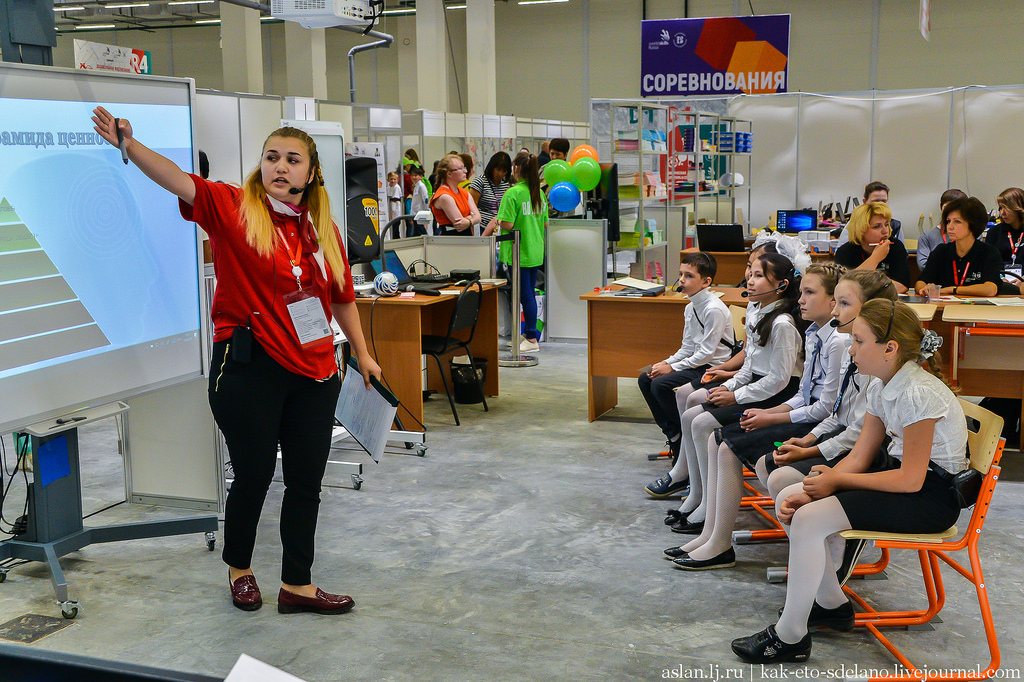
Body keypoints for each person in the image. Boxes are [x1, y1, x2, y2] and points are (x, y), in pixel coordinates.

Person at [90, 108, 382, 615]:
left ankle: (298, 585)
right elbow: (181, 182)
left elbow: (341, 297)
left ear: (310, 173)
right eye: (272, 157)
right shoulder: (233, 207)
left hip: (316, 370)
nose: (280, 167)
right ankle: (240, 568)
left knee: (306, 481)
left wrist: (362, 352)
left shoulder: (322, 227)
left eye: (293, 160)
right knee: (253, 473)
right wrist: (130, 147)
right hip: (250, 365)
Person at [731, 300, 964, 663]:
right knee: (793, 496)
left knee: (807, 517)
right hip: (904, 480)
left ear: (890, 349)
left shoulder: (917, 391)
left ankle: (790, 636)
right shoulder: (880, 383)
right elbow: (859, 456)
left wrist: (837, 480)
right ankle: (831, 603)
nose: (850, 348)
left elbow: (911, 479)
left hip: (930, 498)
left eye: (858, 341)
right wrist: (835, 477)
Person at [668, 263, 846, 570]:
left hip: (818, 426)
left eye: (809, 293)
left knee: (727, 443)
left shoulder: (837, 341)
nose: (800, 299)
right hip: (802, 413)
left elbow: (824, 409)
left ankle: (719, 542)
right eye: (801, 292)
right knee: (719, 440)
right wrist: (768, 413)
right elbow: (803, 395)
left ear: (833, 301)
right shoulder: (816, 333)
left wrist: (771, 418)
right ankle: (712, 534)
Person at [670, 251, 805, 537]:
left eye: (759, 276)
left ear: (781, 285)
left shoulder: (782, 324)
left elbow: (779, 380)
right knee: (695, 412)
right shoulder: (757, 309)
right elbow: (750, 364)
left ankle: (707, 505)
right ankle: (697, 494)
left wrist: (737, 397)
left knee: (702, 422)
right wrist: (730, 386)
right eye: (751, 273)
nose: (750, 280)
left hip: (776, 394)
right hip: (757, 386)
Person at [642, 252, 735, 497]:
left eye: (689, 276)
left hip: (712, 368)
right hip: (696, 363)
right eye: (681, 274)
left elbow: (705, 354)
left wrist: (671, 368)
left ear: (706, 282)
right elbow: (687, 347)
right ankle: (674, 434)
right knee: (646, 378)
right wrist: (665, 362)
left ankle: (682, 437)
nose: (681, 280)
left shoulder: (713, 308)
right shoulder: (691, 306)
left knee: (660, 386)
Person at [495, 151, 548, 353]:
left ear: (516, 169)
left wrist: (498, 221)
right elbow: (545, 223)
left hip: (519, 253)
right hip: (534, 251)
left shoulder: (513, 193)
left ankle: (532, 338)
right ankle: (528, 336)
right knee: (528, 295)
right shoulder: (539, 193)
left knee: (525, 296)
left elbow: (507, 223)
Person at [915, 196, 1001, 298]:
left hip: (977, 310)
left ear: (973, 225)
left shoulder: (988, 252)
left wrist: (953, 289)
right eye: (948, 221)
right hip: (944, 308)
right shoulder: (941, 251)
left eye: (957, 221)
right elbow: (920, 282)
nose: (950, 226)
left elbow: (990, 289)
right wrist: (925, 288)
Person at [833, 202, 911, 293]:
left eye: (886, 224)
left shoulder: (895, 246)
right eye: (877, 226)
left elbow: (902, 286)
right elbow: (845, 286)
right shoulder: (845, 251)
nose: (885, 231)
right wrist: (875, 258)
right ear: (861, 230)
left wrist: (865, 286)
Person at [837, 181, 902, 246]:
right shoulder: (855, 224)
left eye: (883, 201)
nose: (880, 205)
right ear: (865, 202)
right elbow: (841, 250)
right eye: (876, 201)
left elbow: (902, 252)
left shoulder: (895, 225)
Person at [429, 154, 480, 236]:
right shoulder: (444, 196)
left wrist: (469, 221)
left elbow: (478, 217)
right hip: (452, 241)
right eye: (461, 168)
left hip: (466, 239)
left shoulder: (465, 192)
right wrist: (471, 218)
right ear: (449, 174)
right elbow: (460, 224)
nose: (465, 171)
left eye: (465, 168)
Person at [917, 189, 967, 270]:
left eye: (957, 209)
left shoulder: (972, 235)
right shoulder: (927, 236)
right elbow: (923, 266)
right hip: (935, 281)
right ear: (941, 207)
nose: (952, 212)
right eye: (948, 207)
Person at [984, 187, 1024, 288]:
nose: (1002, 212)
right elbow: (988, 263)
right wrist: (999, 278)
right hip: (1000, 284)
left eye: (1006, 208)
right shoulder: (995, 232)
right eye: (1001, 208)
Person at [471, 152, 512, 238]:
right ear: (492, 167)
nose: (500, 174)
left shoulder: (507, 184)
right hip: (482, 227)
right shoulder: (480, 181)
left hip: (500, 228)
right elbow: (471, 209)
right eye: (498, 170)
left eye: (504, 171)